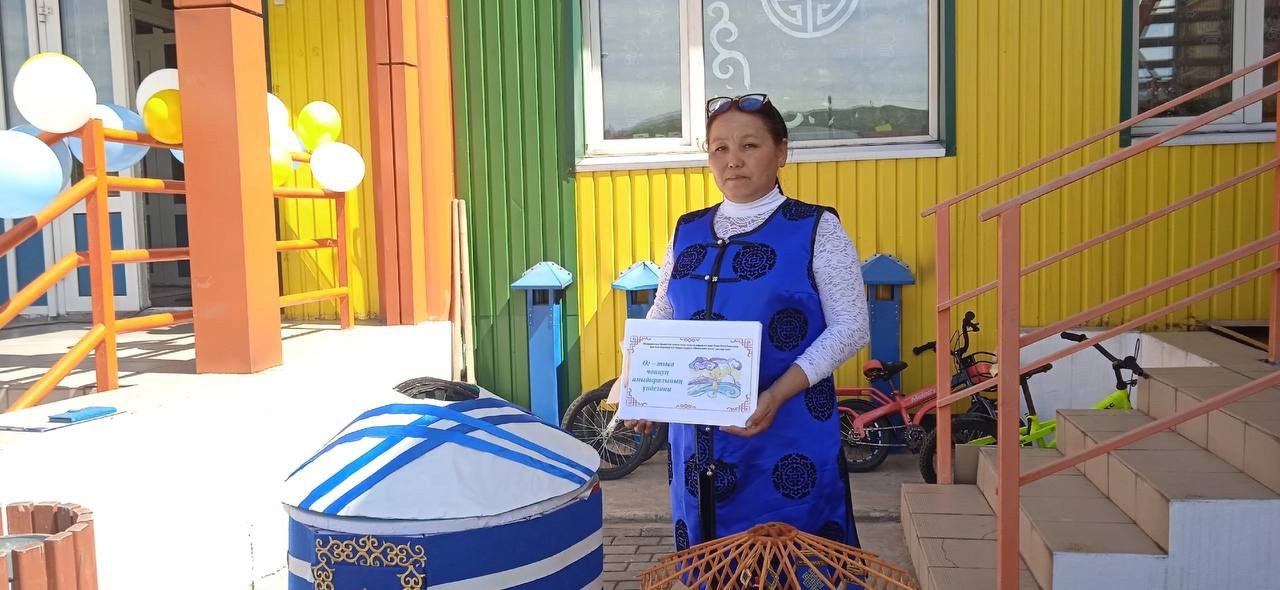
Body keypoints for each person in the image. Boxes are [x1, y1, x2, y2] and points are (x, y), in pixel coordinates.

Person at [628, 93, 871, 552]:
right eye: (719, 148)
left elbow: (850, 326)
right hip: (697, 442)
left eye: (749, 145)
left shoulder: (815, 227)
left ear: (781, 152)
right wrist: (639, 387)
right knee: (712, 557)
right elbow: (664, 313)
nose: (732, 160)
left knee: (788, 557)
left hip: (786, 431)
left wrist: (775, 395)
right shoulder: (687, 230)